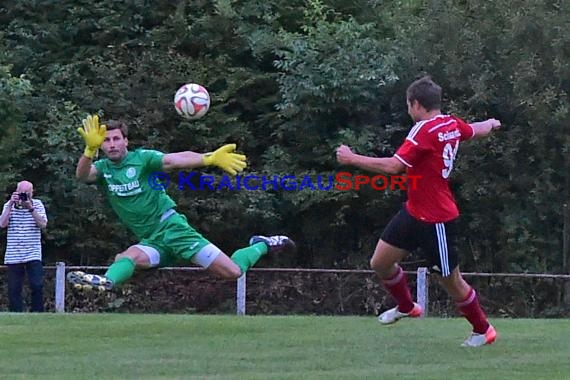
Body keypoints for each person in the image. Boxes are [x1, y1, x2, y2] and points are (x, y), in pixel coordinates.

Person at [336, 76, 501, 347]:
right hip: (415, 212)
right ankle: (407, 306)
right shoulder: (450, 123)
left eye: (408, 105)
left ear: (415, 104)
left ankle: (483, 330)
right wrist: (492, 124)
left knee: (452, 282)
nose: (408, 110)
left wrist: (351, 158)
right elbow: (474, 129)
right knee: (380, 263)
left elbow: (393, 167)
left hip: (437, 219)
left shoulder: (423, 130)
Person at [67, 115, 295, 292]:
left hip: (173, 230)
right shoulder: (104, 170)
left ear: (126, 141)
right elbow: (82, 175)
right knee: (126, 257)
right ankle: (106, 282)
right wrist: (89, 151)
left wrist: (209, 158)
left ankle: (262, 244)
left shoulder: (142, 159)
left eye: (116, 138)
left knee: (233, 272)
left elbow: (174, 159)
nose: (112, 144)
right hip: (153, 241)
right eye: (106, 140)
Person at [0, 181, 48, 312]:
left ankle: (38, 313)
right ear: (16, 191)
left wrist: (30, 208)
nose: (24, 196)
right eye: (22, 193)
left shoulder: (37, 204)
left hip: (33, 252)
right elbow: (2, 224)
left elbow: (43, 224)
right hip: (14, 254)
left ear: (32, 193)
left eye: (27, 194)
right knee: (14, 289)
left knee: (37, 285)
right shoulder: (9, 205)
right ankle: (16, 314)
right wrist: (10, 204)